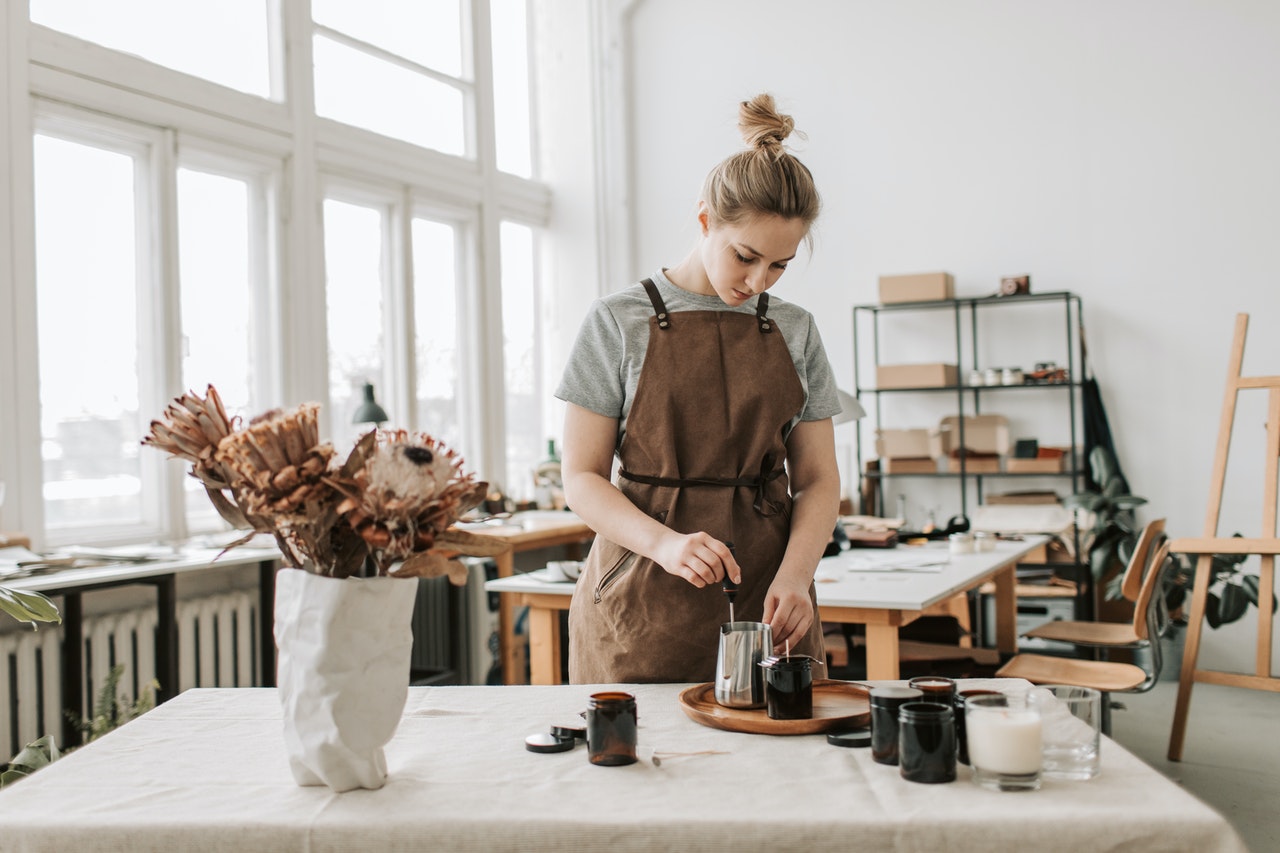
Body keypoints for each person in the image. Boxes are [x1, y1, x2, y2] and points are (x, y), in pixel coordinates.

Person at [556, 93, 843, 683]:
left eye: (780, 265)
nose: (758, 281)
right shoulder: (617, 321)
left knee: (785, 765)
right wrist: (664, 545)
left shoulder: (795, 328)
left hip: (769, 591)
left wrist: (794, 577)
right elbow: (580, 479)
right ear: (706, 218)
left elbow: (818, 480)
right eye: (746, 256)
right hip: (641, 591)